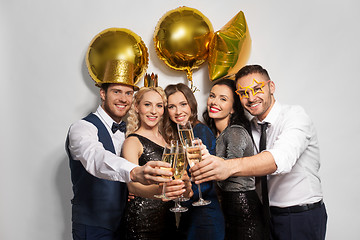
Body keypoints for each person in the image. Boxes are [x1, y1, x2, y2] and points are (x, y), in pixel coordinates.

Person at [191, 65, 327, 240]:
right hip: (266, 215)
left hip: (299, 215)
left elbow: (280, 160)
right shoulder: (252, 128)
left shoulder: (295, 116)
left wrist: (227, 166)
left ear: (271, 87)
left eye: (257, 89)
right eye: (243, 93)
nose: (251, 97)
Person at [65, 60, 173, 240]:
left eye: (128, 93)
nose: (123, 99)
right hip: (93, 225)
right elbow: (97, 159)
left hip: (124, 224)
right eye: (116, 92)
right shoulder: (82, 128)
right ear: (102, 93)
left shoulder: (129, 134)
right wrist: (134, 172)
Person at [121, 86, 193, 239]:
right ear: (136, 107)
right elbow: (132, 185)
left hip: (168, 221)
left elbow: (185, 192)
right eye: (147, 104)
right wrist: (164, 191)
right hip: (142, 222)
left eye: (159, 105)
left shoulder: (168, 142)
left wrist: (185, 187)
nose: (153, 111)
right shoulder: (132, 141)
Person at [203, 78, 265, 239]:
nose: (214, 102)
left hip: (242, 206)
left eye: (223, 99)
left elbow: (229, 169)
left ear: (232, 109)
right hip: (230, 206)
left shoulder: (234, 132)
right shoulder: (217, 134)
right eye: (212, 96)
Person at [163, 83, 225, 240]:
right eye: (172, 106)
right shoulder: (176, 134)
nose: (178, 112)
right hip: (189, 214)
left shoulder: (199, 131)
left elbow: (204, 180)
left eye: (183, 104)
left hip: (205, 215)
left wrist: (180, 193)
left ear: (191, 104)